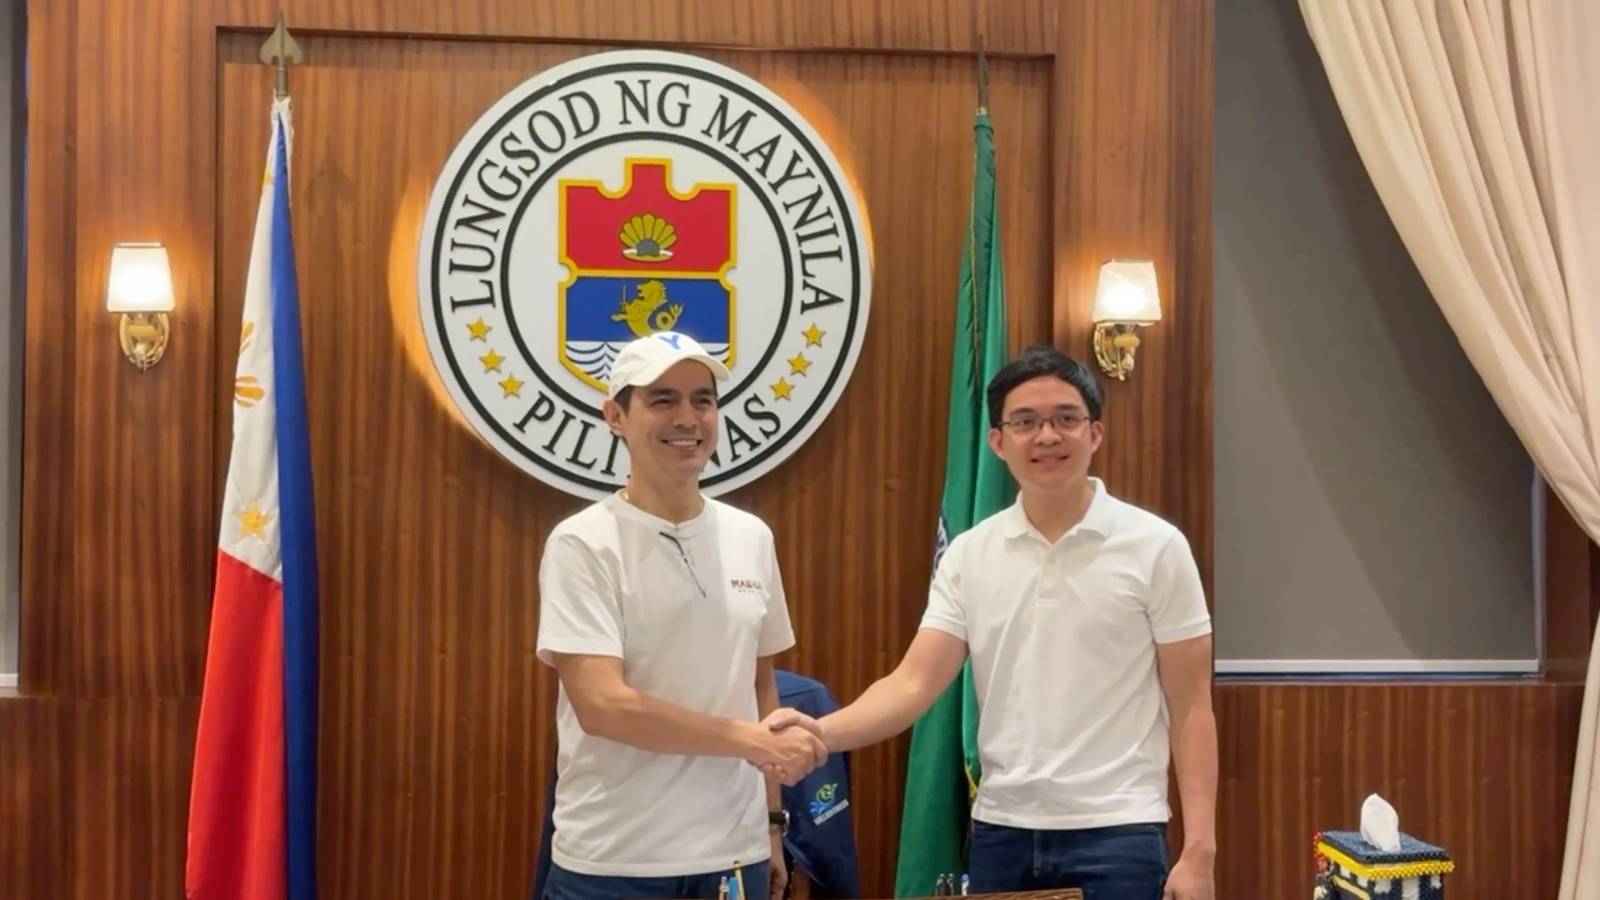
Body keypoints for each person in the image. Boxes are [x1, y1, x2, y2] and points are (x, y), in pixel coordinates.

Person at [768, 346, 1217, 900]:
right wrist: (819, 733)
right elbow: (912, 684)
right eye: (1025, 422)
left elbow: (1192, 705)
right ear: (998, 442)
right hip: (1003, 832)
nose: (1047, 436)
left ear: (1095, 434)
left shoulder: (1156, 547)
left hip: (1119, 832)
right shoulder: (970, 554)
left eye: (1065, 419)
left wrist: (1200, 852)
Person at [537, 331, 827, 900]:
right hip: (614, 862)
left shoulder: (751, 537)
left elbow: (759, 686)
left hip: (731, 858)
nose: (688, 418)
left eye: (703, 399)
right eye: (662, 399)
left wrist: (771, 825)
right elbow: (603, 706)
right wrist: (749, 741)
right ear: (615, 416)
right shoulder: (582, 543)